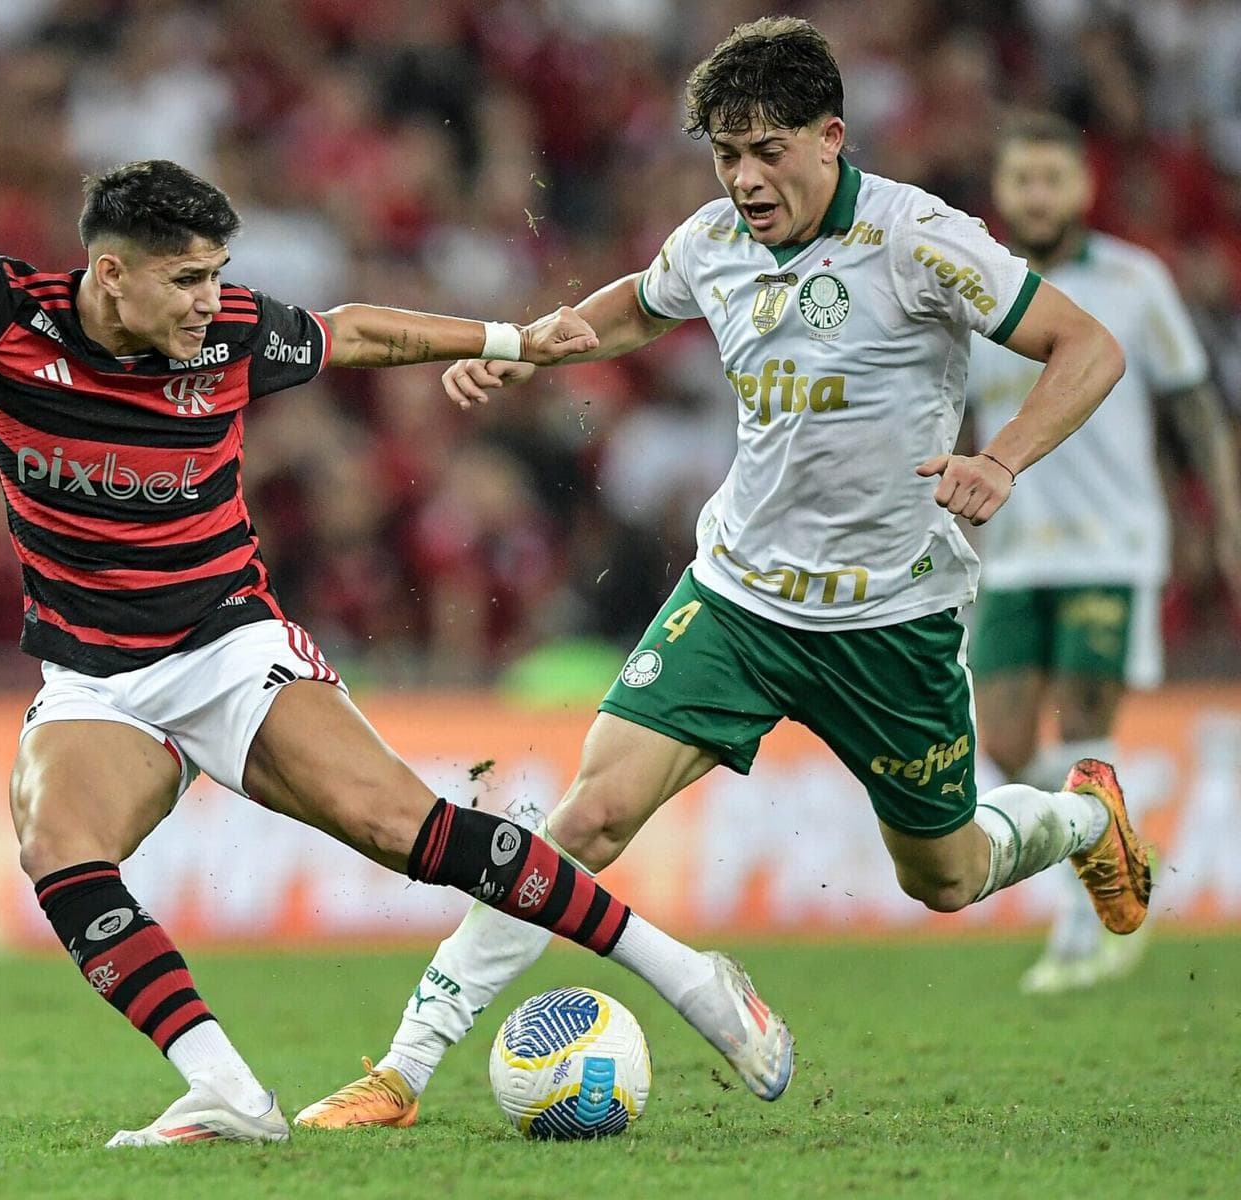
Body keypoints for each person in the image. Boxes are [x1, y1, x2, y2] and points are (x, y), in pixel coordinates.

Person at [0, 93, 794, 1147]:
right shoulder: (3, 315)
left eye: (219, 274)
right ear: (110, 273)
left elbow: (357, 330)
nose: (211, 300)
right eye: (187, 279)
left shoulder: (229, 337)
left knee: (407, 829)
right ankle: (225, 1090)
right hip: (95, 681)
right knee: (57, 848)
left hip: (227, 649)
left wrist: (508, 340)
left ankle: (693, 980)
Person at [297, 16, 1145, 1130]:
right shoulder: (714, 241)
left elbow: (1089, 347)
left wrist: (1001, 458)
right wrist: (532, 346)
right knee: (591, 816)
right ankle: (404, 1070)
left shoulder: (921, 240)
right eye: (726, 154)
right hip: (738, 599)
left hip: (890, 617)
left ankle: (1080, 820)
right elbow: (636, 303)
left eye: (767, 151)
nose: (744, 179)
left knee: (943, 878)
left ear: (830, 136)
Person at [965, 113, 1241, 994]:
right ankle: (1118, 830)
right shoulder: (978, 286)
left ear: (1084, 187)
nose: (1038, 195)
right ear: (1002, 191)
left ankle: (1082, 933)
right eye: (1023, 180)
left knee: (1084, 735)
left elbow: (1196, 406)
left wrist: (1228, 518)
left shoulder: (1134, 280)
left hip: (1111, 547)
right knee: (1006, 746)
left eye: (1053, 178)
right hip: (1012, 552)